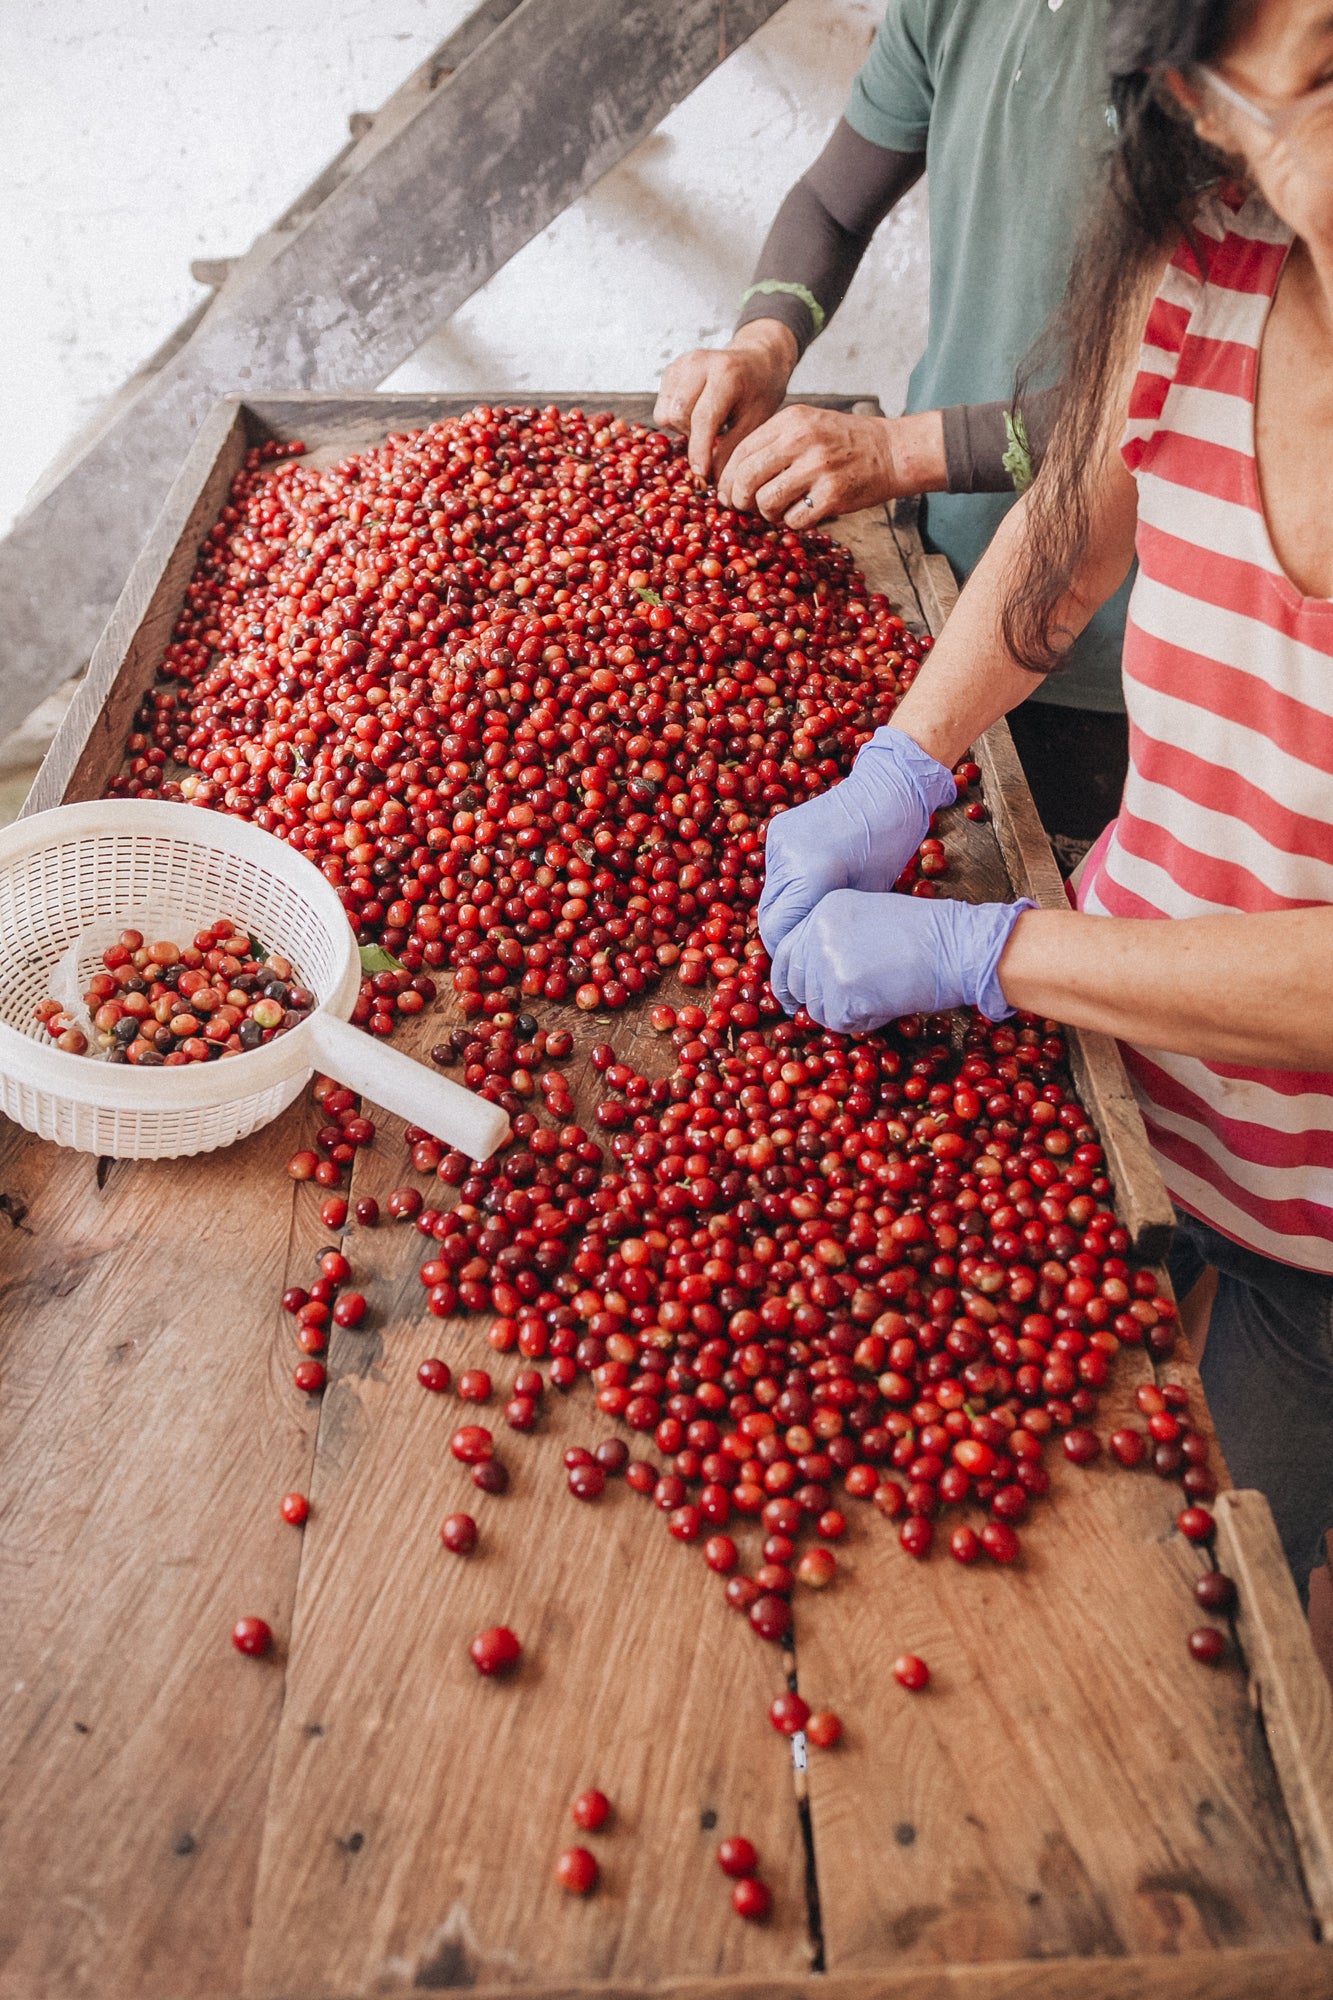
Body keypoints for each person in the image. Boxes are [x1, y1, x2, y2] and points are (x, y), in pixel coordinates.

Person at [758, 0, 1333, 1602]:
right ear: (1211, 110)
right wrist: (905, 759)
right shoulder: (1209, 269)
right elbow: (1075, 514)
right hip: (1126, 1087)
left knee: (1200, 1602)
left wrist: (987, 957)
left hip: (1322, 1225)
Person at [655, 0, 1134, 848]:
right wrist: (766, 340)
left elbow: (1190, 390)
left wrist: (899, 447)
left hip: (1120, 647)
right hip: (945, 585)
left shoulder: (1231, 41)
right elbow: (832, 207)